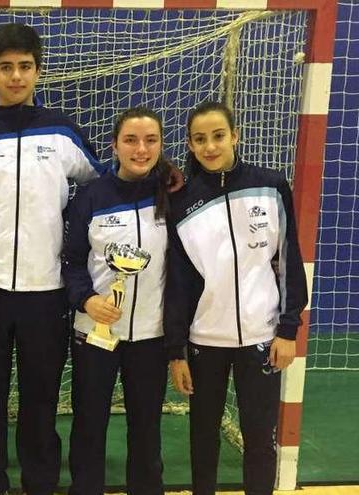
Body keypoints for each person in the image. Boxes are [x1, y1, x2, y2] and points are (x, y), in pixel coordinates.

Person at [0, 23, 106, 495]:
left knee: (40, 399)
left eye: (24, 67)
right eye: (5, 68)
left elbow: (104, 183)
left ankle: (40, 482)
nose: (15, 76)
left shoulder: (62, 132)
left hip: (46, 292)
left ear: (38, 71)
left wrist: (162, 182)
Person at [165, 101, 308, 495]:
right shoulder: (181, 203)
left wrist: (288, 328)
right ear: (190, 146)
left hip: (262, 337)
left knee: (260, 439)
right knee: (203, 439)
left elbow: (288, 261)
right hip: (204, 341)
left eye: (218, 136)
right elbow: (178, 284)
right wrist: (176, 350)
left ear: (235, 136)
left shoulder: (271, 185)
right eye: (199, 139)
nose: (210, 146)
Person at [64, 107, 174, 495]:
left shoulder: (173, 195)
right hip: (95, 334)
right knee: (90, 422)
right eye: (130, 140)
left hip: (151, 334)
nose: (141, 149)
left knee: (146, 425)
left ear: (161, 145)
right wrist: (87, 300)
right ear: (114, 145)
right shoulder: (91, 197)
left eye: (150, 140)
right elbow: (72, 261)